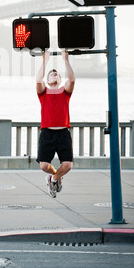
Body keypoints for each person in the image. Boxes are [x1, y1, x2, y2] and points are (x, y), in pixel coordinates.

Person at [36, 50, 75, 198]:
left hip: (63, 132)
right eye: (51, 74)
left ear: (60, 79)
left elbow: (71, 80)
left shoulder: (65, 92)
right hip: (47, 133)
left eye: (56, 73)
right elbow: (38, 80)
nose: (54, 74)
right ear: (47, 80)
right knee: (44, 166)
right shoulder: (43, 92)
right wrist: (45, 60)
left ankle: (54, 179)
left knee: (67, 165)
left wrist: (66, 60)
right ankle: (55, 176)